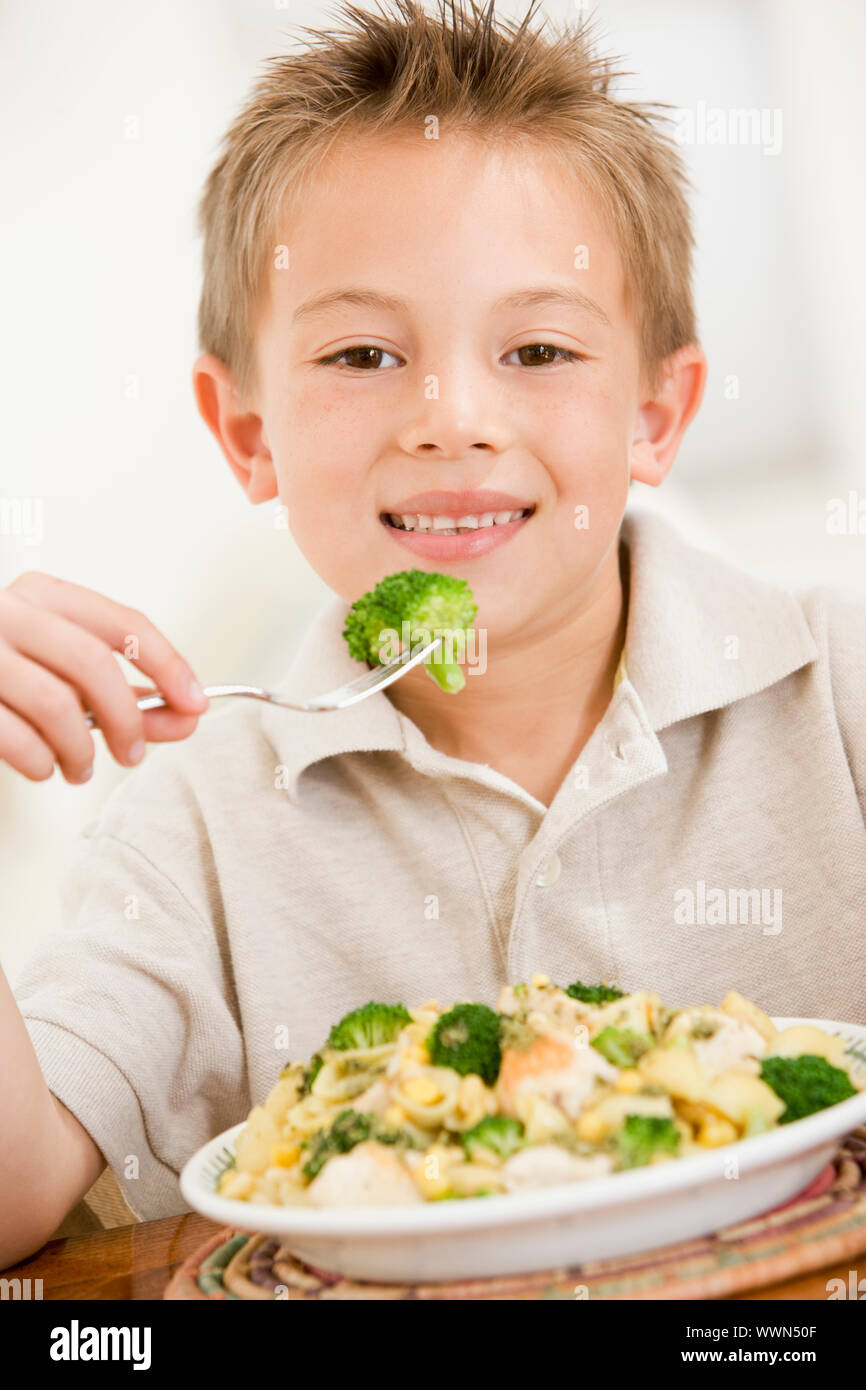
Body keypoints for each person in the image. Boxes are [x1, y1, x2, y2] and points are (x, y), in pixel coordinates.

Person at [1, 0, 863, 1265]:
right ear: (247, 434)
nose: (450, 417)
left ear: (652, 415)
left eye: (535, 347)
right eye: (360, 352)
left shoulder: (836, 691)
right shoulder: (190, 821)